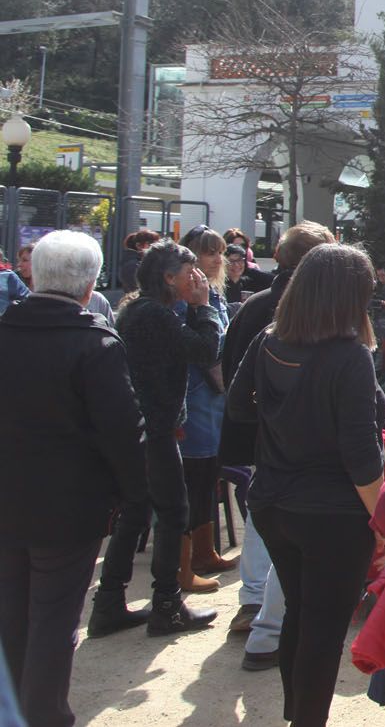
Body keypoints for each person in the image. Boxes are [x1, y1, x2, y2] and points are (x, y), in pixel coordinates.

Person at [226, 243, 385, 727]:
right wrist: (384, 522)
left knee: (301, 616)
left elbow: (238, 408)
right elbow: (361, 456)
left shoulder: (271, 339)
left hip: (274, 504)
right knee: (321, 629)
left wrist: (284, 426)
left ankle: (298, 715)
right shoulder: (349, 357)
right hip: (331, 515)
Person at [0, 231, 145, 727]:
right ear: (89, 287)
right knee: (53, 622)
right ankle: (43, 716)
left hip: (13, 501)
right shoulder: (95, 344)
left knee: (15, 617)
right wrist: (134, 494)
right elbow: (124, 432)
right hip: (68, 509)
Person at [217, 222, 335, 669]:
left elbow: (231, 375)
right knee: (284, 529)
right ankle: (265, 621)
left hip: (259, 437)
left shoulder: (256, 306)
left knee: (259, 516)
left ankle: (253, 603)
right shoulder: (306, 312)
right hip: (293, 444)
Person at [91, 239, 221, 637]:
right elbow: (204, 350)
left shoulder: (139, 309)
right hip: (156, 429)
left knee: (136, 511)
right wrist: (203, 308)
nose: (196, 277)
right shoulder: (157, 315)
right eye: (188, 272)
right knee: (171, 513)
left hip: (143, 427)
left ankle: (109, 602)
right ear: (168, 278)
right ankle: (166, 605)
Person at [178, 226, 236, 589]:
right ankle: (184, 565)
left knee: (208, 477)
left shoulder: (213, 294)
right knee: (192, 479)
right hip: (196, 398)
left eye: (220, 251)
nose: (217, 259)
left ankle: (205, 550)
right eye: (209, 252)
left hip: (214, 400)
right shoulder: (188, 299)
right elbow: (205, 348)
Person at [118, 228, 159, 293]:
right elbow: (138, 290)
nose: (155, 247)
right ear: (138, 245)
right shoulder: (132, 265)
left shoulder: (146, 262)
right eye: (150, 243)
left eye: (157, 244)